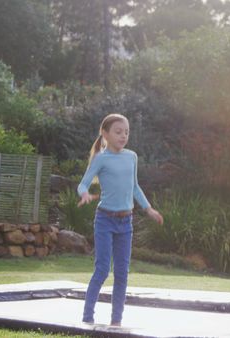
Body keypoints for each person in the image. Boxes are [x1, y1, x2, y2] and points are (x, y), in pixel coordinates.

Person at [77, 113, 163, 326]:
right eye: (118, 132)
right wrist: (84, 194)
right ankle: (87, 317)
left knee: (122, 273)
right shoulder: (101, 159)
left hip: (126, 222)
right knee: (103, 269)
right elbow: (83, 184)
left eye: (126, 132)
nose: (123, 135)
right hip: (105, 220)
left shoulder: (131, 156)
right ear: (105, 134)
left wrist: (148, 208)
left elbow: (134, 186)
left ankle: (117, 321)